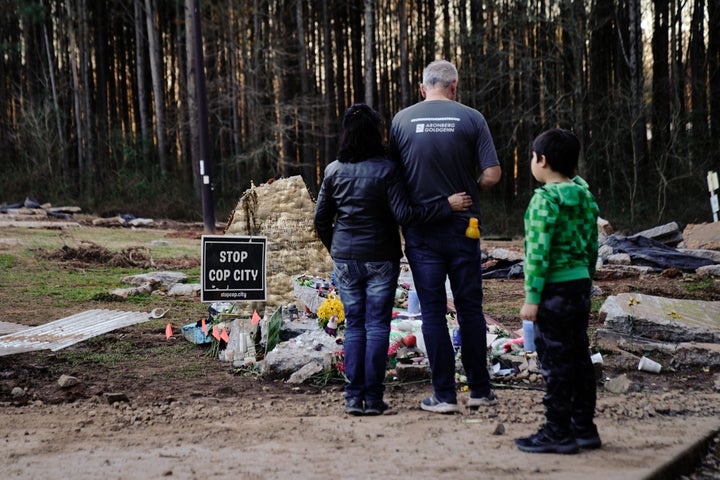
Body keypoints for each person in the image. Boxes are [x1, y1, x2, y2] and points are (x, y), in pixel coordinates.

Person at [314, 103, 472, 416]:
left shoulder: (333, 170)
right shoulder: (387, 170)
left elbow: (321, 220)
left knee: (355, 328)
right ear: (376, 134)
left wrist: (338, 251)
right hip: (381, 259)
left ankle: (351, 398)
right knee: (376, 328)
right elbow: (406, 215)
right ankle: (373, 399)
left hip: (346, 258)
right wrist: (446, 205)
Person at [388, 60, 502, 414]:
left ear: (423, 89)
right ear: (455, 87)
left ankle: (444, 396)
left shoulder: (401, 121)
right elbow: (493, 175)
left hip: (421, 232)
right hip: (464, 230)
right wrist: (471, 187)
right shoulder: (472, 118)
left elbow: (393, 177)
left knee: (433, 313)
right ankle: (480, 390)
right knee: (470, 310)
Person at [515, 128, 601, 454]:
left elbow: (537, 253)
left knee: (555, 361)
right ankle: (584, 428)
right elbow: (592, 245)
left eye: (532, 158)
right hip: (579, 285)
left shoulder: (544, 200)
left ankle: (557, 432)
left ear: (543, 161)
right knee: (579, 356)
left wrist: (532, 298)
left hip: (553, 289)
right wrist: (586, 279)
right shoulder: (585, 197)